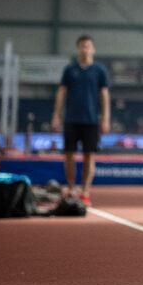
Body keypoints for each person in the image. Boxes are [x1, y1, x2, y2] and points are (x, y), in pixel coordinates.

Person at [51, 36, 110, 205]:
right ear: (78, 49)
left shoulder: (99, 71)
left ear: (93, 49)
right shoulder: (70, 70)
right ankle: (71, 188)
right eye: (82, 46)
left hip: (91, 120)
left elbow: (104, 95)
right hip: (71, 119)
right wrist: (56, 116)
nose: (85, 49)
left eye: (88, 46)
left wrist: (105, 118)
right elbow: (61, 93)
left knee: (89, 156)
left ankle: (85, 191)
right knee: (69, 155)